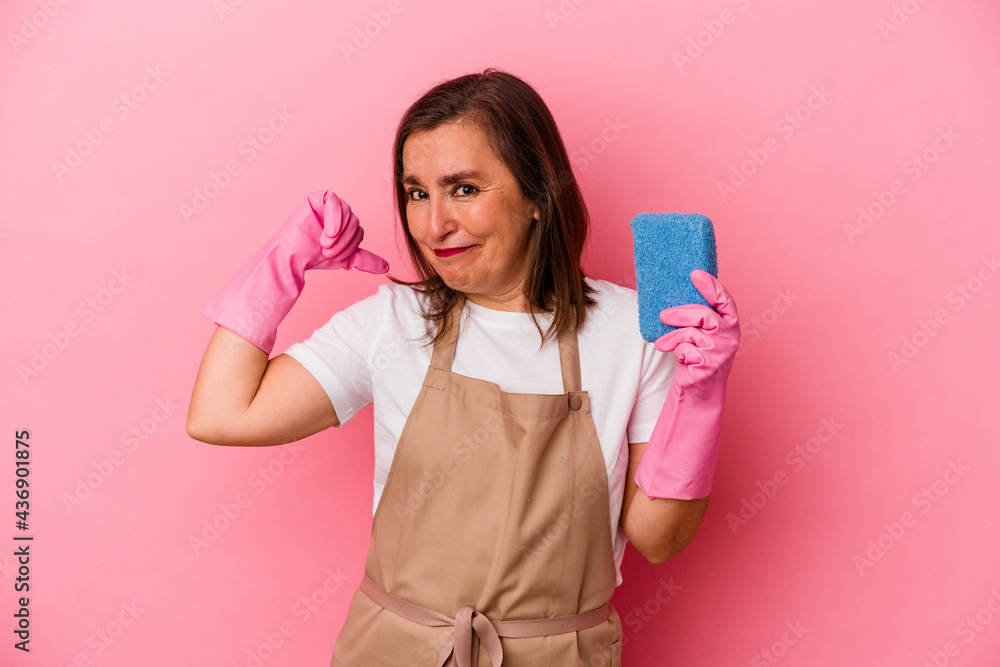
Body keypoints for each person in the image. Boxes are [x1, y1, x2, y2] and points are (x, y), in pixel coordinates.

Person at [187, 69, 740, 667]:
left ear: (538, 194)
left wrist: (702, 396)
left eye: (464, 189)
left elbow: (659, 539)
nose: (433, 226)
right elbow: (221, 415)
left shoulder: (633, 334)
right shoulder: (394, 323)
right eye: (417, 193)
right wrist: (282, 262)